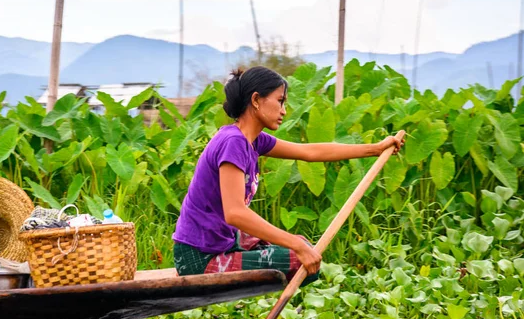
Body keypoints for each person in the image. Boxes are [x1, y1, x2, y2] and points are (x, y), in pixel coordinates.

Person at [172, 66, 404, 285]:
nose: (284, 110)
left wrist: (375, 149)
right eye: (280, 101)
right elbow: (235, 213)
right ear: (255, 100)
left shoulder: (254, 141)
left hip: (219, 240)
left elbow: (309, 152)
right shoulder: (233, 142)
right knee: (299, 259)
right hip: (199, 257)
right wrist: (294, 244)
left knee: (305, 248)